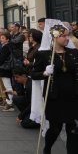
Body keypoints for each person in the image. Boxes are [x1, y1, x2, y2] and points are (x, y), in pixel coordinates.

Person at [33, 23, 78, 154]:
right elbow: (33, 75)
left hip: (73, 96)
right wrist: (45, 73)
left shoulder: (74, 53)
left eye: (67, 35)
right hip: (54, 97)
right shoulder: (44, 55)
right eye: (63, 36)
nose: (67, 38)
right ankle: (47, 148)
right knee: (55, 128)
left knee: (73, 127)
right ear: (54, 37)